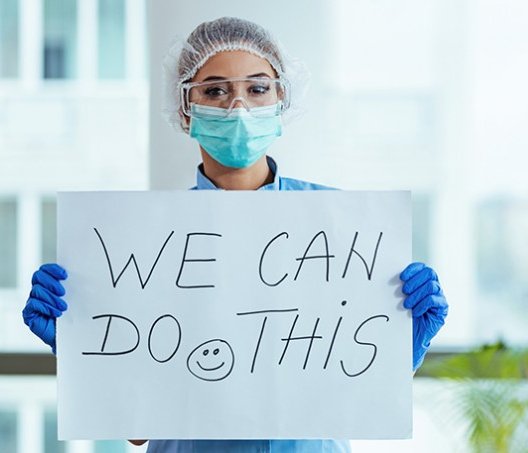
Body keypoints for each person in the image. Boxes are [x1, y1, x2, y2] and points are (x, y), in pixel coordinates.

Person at [23, 16, 449, 453]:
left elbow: (355, 394)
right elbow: (139, 430)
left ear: (282, 98)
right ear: (186, 106)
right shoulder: (143, 243)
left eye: (257, 88)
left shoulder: (344, 230)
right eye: (215, 90)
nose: (238, 107)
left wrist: (400, 349)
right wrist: (82, 347)